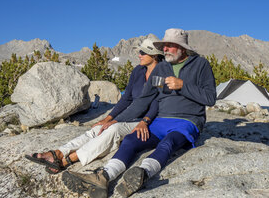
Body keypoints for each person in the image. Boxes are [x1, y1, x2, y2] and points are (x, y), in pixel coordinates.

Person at [62, 28, 216, 198]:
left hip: (187, 122)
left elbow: (210, 98)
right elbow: (144, 99)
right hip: (160, 122)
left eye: (170, 46)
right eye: (163, 46)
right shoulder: (162, 69)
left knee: (168, 142)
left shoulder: (200, 65)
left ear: (182, 48)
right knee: (130, 139)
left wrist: (183, 85)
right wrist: (114, 121)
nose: (164, 49)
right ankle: (103, 177)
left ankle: (142, 174)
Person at [25, 38, 164, 174]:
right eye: (140, 51)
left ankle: (66, 160)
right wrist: (108, 118)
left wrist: (145, 121)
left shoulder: (161, 74)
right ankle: (57, 153)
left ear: (155, 55)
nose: (139, 55)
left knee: (113, 130)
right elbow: (126, 98)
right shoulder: (138, 71)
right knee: (99, 128)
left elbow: (158, 102)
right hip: (131, 116)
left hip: (147, 121)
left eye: (143, 52)